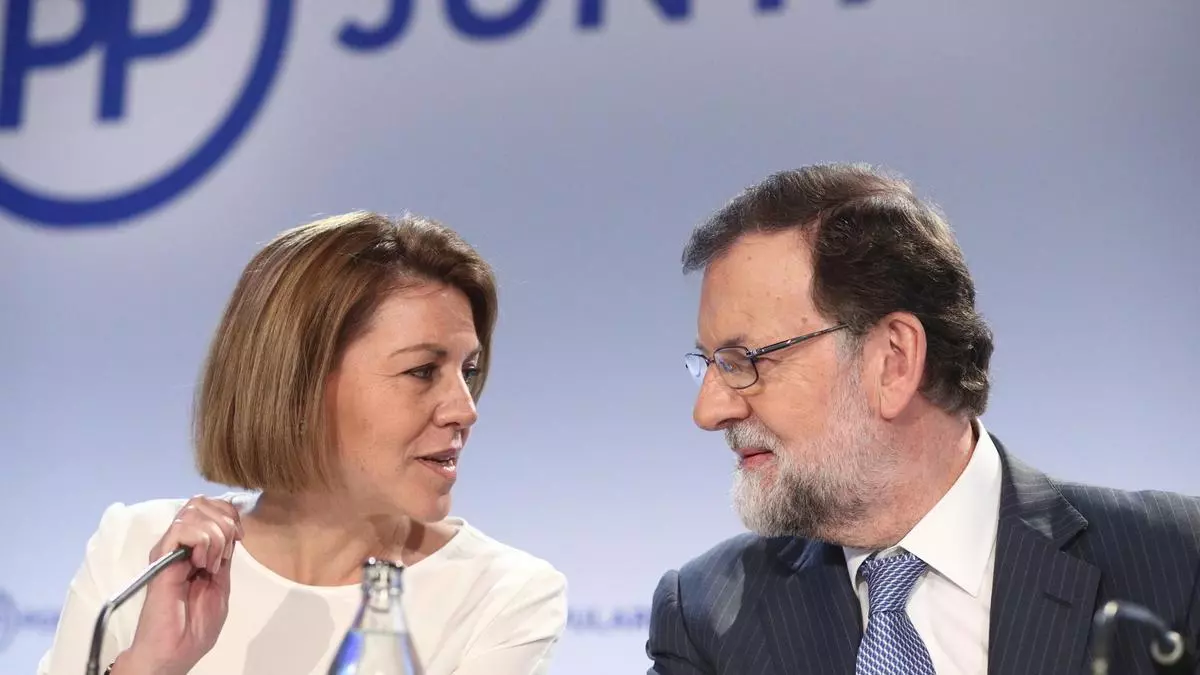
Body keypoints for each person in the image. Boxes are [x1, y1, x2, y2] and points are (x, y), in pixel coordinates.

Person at [646, 163, 1200, 675]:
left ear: (894, 360)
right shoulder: (705, 615)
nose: (709, 411)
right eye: (710, 365)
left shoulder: (1176, 564)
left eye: (745, 362)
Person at [39, 211, 568, 675]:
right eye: (423, 371)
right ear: (300, 382)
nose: (465, 409)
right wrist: (151, 666)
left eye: (468, 371)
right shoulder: (137, 552)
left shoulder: (503, 596)